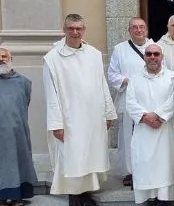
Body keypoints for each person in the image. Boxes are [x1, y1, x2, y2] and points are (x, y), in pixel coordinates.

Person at [44, 14, 115, 206]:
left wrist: (109, 112)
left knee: (90, 156)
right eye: (71, 28)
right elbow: (51, 94)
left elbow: (102, 84)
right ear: (64, 29)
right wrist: (57, 124)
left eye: (79, 28)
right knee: (73, 159)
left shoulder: (93, 54)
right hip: (70, 119)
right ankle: (75, 198)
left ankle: (87, 195)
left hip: (92, 117)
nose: (75, 32)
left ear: (84, 30)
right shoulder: (53, 58)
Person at [0, 48, 37, 206]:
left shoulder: (23, 82)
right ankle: (1, 198)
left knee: (19, 162)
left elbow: (25, 102)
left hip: (18, 131)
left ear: (12, 58)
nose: (1, 59)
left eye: (5, 56)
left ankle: (19, 196)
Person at [126, 42, 174, 204]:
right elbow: (130, 102)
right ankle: (149, 199)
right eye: (149, 54)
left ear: (162, 57)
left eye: (156, 54)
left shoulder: (173, 77)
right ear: (144, 57)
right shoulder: (134, 79)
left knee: (165, 167)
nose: (152, 57)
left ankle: (164, 199)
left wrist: (160, 116)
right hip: (144, 132)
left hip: (165, 131)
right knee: (145, 166)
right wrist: (146, 118)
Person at [108, 17, 154, 187]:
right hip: (129, 99)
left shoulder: (156, 48)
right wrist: (127, 81)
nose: (138, 30)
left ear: (147, 30)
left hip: (150, 99)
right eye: (134, 27)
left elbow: (164, 70)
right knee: (128, 137)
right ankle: (130, 172)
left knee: (148, 136)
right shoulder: (120, 50)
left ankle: (148, 168)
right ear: (129, 30)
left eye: (141, 27)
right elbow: (112, 74)